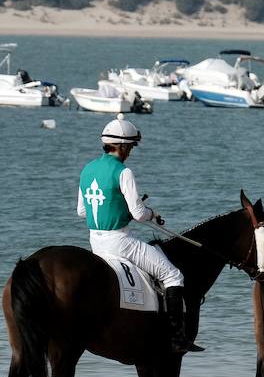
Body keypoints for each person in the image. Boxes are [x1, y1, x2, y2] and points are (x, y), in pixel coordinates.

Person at [76, 116, 200, 353]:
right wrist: (152, 214)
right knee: (173, 275)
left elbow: (82, 211)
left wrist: (117, 207)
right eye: (130, 147)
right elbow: (139, 213)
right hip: (119, 242)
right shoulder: (123, 172)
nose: (130, 152)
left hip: (95, 241)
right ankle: (177, 338)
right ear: (121, 146)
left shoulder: (87, 169)